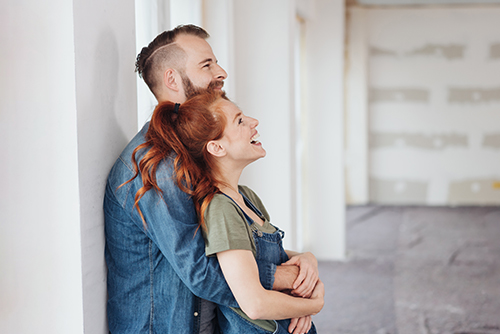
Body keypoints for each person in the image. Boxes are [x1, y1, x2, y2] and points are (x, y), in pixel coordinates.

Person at [104, 24, 320, 333]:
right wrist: (293, 285)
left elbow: (234, 250)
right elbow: (204, 273)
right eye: (207, 64)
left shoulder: (192, 152)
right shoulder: (156, 166)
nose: (221, 73)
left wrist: (304, 262)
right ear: (172, 79)